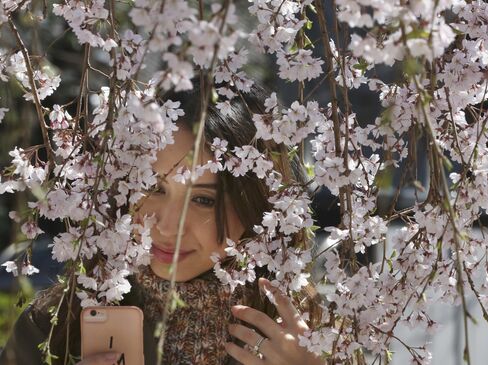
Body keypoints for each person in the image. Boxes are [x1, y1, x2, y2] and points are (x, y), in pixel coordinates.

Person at [0, 78, 324, 365]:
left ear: (257, 205)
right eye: (154, 188)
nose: (167, 227)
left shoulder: (313, 339)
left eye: (203, 200)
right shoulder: (56, 328)